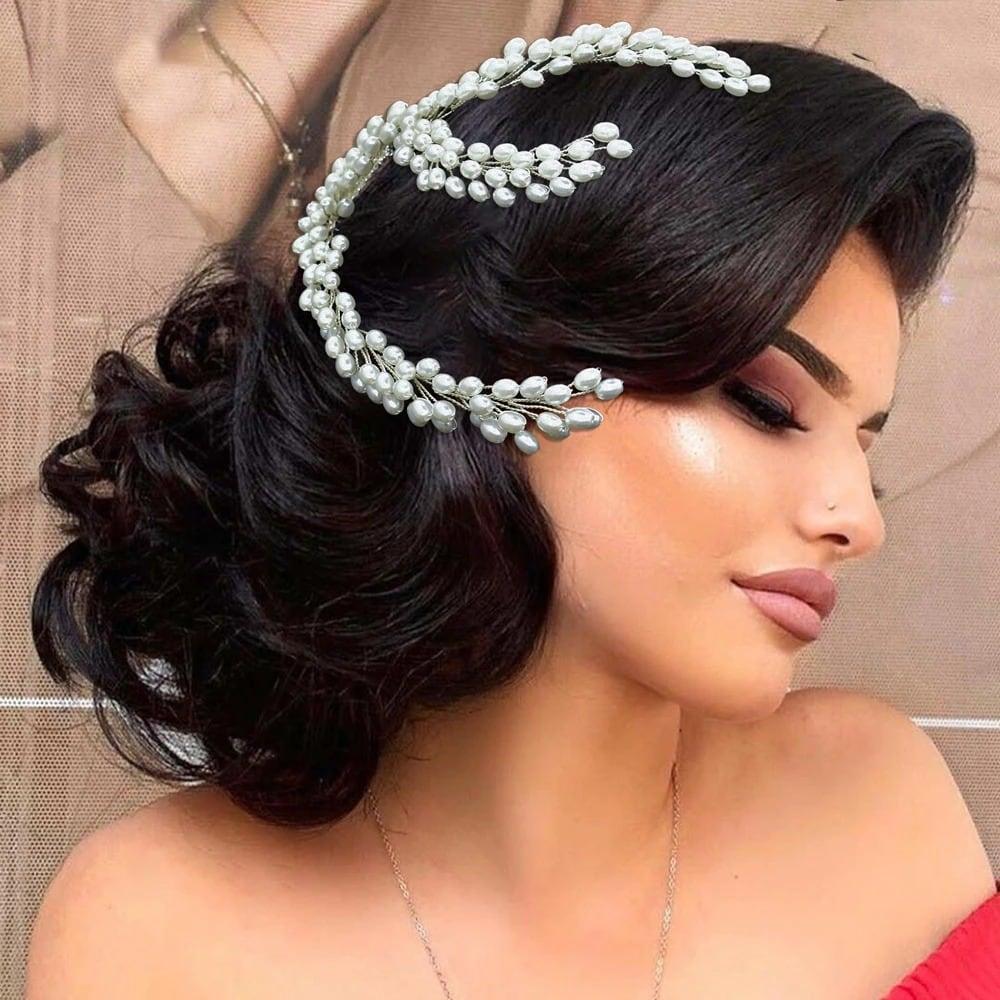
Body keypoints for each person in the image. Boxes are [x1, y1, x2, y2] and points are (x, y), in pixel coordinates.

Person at [24, 29, 999, 999]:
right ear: (492, 377)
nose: (857, 521)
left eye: (863, 447)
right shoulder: (157, 926)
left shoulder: (877, 801)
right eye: (766, 406)